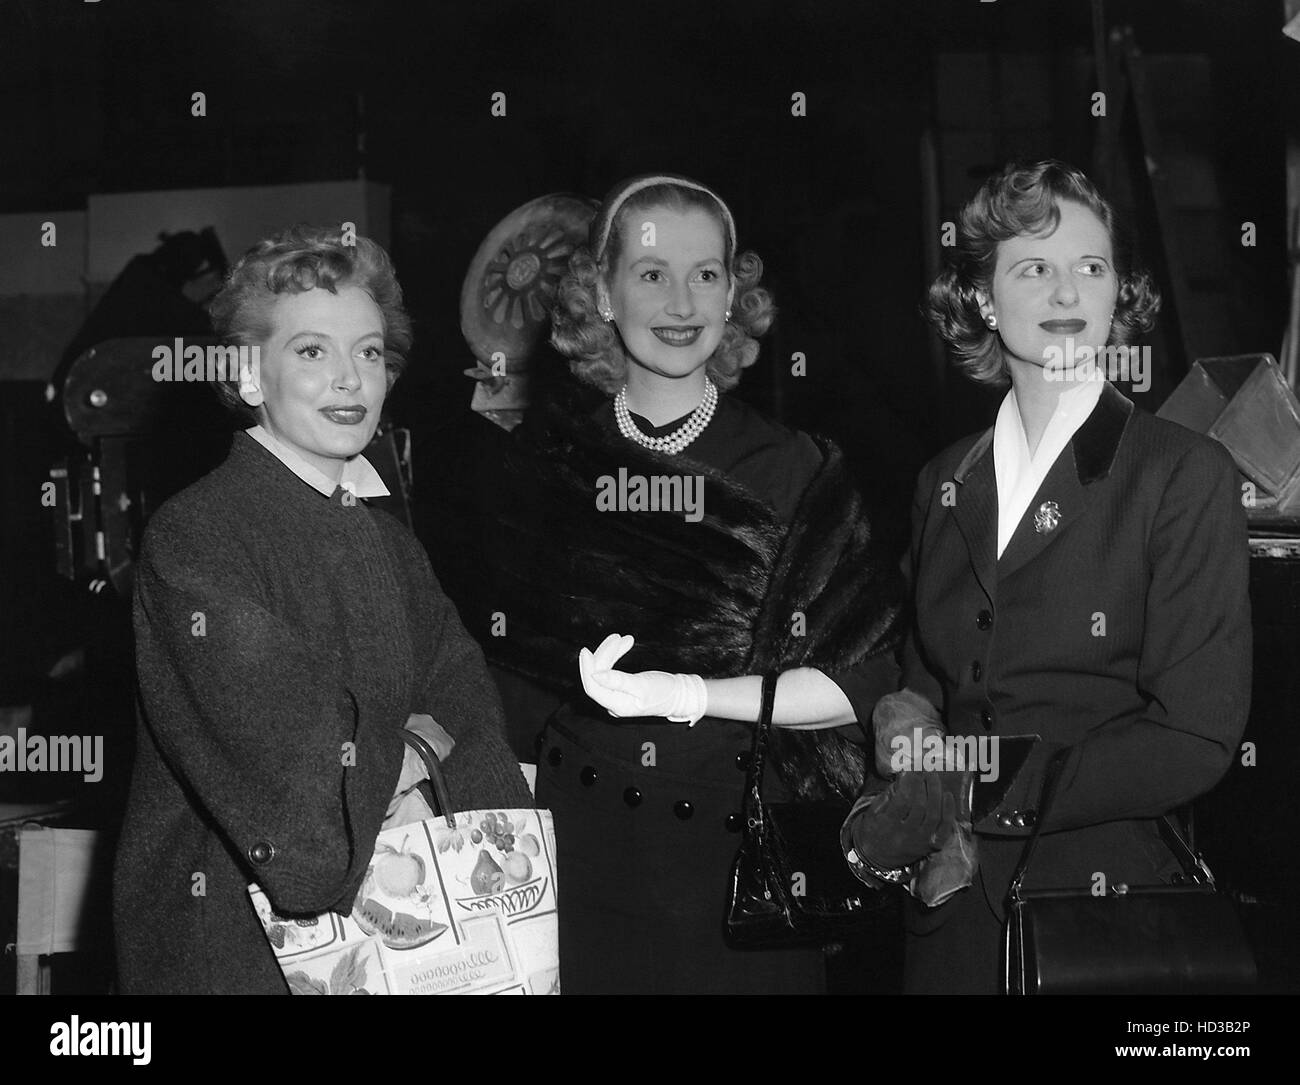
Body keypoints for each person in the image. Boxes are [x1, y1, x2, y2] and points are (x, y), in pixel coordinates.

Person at [484, 174, 904, 994]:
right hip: (582, 858)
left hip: (738, 860)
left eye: (706, 273)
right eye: (650, 273)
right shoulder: (544, 467)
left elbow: (869, 680)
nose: (681, 301)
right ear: (602, 294)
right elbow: (510, 685)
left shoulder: (798, 470)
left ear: (734, 294)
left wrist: (693, 693)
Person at [845, 160, 1252, 993]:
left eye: (1091, 267)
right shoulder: (943, 480)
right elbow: (929, 672)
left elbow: (1197, 736)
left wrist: (979, 780)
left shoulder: (1181, 474)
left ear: (1117, 295)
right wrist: (905, 719)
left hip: (1101, 913)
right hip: (950, 917)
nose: (1068, 289)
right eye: (1035, 266)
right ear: (986, 300)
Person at [113, 225, 530, 994]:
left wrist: (404, 753)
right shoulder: (196, 535)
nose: (350, 379)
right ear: (247, 375)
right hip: (231, 957)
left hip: (407, 950)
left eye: (369, 352)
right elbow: (291, 766)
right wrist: (405, 755)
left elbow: (467, 710)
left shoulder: (389, 540)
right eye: (312, 351)